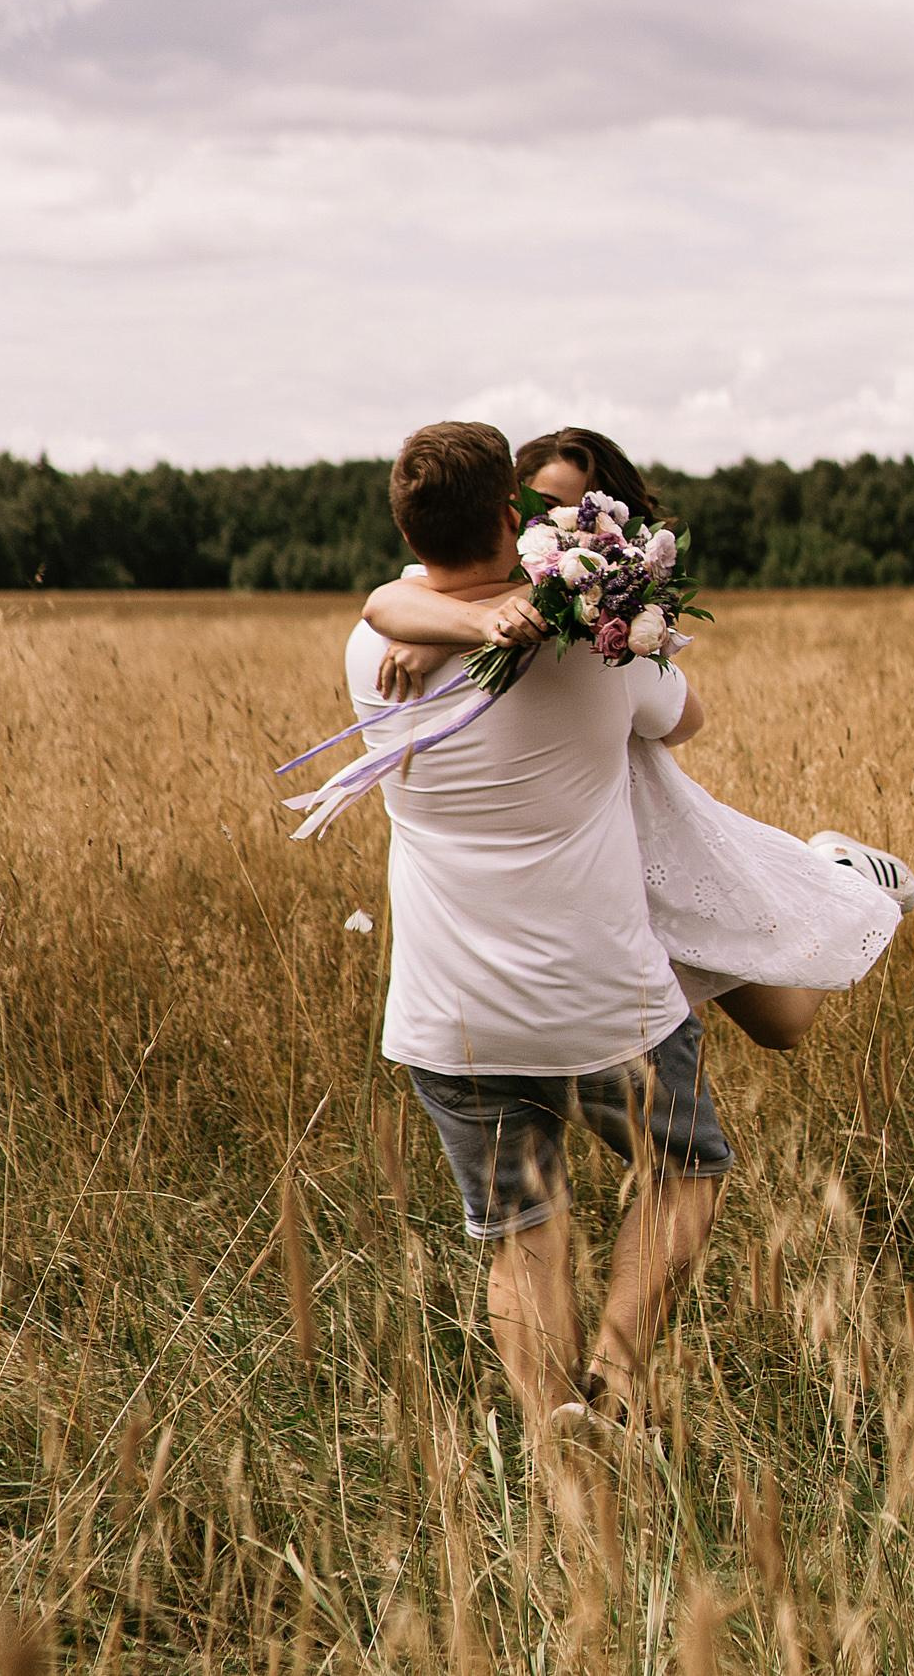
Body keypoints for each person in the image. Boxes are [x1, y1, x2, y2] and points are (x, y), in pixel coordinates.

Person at [342, 419, 731, 1443]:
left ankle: (557, 1441)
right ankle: (610, 1373)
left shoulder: (374, 646)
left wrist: (461, 626)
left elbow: (392, 601)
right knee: (685, 1170)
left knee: (523, 1241)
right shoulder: (601, 650)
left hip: (452, 1011)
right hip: (606, 1006)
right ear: (512, 519)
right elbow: (683, 721)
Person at [361, 425, 914, 1054]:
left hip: (635, 813)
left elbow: (683, 718)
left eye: (580, 509)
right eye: (547, 507)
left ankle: (848, 876)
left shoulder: (607, 614)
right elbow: (385, 602)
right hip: (572, 852)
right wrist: (460, 626)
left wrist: (450, 633)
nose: (565, 525)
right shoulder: (451, 593)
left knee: (779, 1023)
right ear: (512, 509)